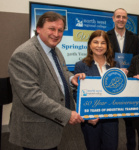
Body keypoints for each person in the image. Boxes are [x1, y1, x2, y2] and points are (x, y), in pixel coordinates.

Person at [8, 11, 85, 150]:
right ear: (38, 29)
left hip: (51, 123)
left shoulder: (55, 50)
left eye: (60, 30)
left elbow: (62, 72)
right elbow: (32, 97)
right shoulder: (24, 54)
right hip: (36, 129)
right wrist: (66, 114)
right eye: (52, 28)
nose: (56, 34)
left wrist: (71, 77)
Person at [74, 30, 120, 150]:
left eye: (103, 43)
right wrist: (87, 116)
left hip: (111, 118)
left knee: (111, 147)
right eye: (95, 42)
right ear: (90, 45)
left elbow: (119, 91)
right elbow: (76, 93)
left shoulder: (115, 65)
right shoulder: (81, 65)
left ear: (107, 46)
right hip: (91, 120)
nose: (99, 46)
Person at [107, 8, 139, 150]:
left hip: (129, 83)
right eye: (118, 16)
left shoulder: (134, 37)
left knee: (130, 122)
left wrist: (133, 72)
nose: (121, 19)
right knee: (110, 120)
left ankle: (131, 147)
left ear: (127, 20)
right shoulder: (106, 36)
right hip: (111, 82)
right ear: (113, 18)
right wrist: (114, 70)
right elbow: (102, 58)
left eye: (124, 17)